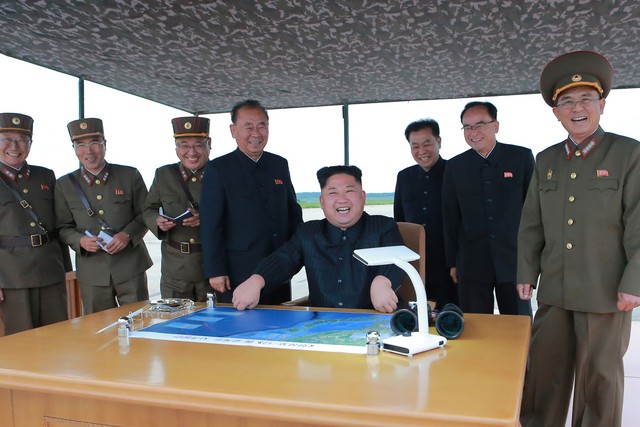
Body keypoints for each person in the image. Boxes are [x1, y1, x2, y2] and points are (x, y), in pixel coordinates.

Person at [517, 50, 640, 427]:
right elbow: (532, 223)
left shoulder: (628, 154)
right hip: (555, 289)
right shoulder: (547, 159)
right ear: (556, 112)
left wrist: (634, 282)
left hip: (606, 292)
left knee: (598, 377)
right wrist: (526, 272)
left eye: (586, 98)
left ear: (602, 104)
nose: (577, 108)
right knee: (544, 371)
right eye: (567, 101)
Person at [232, 165, 405, 312]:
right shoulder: (308, 232)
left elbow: (398, 258)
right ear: (322, 202)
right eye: (332, 193)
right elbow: (283, 260)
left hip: (373, 319)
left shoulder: (383, 226)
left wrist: (383, 281)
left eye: (349, 191)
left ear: (363, 197)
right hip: (322, 325)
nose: (342, 199)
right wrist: (257, 280)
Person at [200, 99, 303, 305]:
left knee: (280, 319)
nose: (256, 134)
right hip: (238, 272)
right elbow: (211, 224)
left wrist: (297, 255)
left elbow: (293, 212)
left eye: (261, 126)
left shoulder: (279, 164)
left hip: (278, 268)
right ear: (233, 130)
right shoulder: (219, 169)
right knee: (240, 322)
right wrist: (216, 270)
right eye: (248, 127)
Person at [442, 101, 534, 315]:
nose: (473, 132)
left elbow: (534, 213)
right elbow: (450, 217)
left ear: (496, 126)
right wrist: (453, 262)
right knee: (475, 326)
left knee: (518, 325)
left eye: (479, 125)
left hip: (514, 263)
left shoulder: (520, 158)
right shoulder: (455, 166)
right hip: (472, 264)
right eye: (467, 127)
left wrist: (531, 265)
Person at [55, 118, 152, 314]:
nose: (88, 151)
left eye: (94, 143)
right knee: (97, 327)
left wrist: (127, 235)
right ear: (74, 149)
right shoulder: (64, 184)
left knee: (139, 322)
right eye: (81, 145)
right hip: (92, 271)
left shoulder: (129, 175)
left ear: (104, 144)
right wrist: (80, 241)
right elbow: (62, 227)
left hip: (130, 266)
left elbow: (146, 213)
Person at [0, 113, 69, 335]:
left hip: (50, 270)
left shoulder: (45, 176)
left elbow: (59, 225)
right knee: (21, 338)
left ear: (30, 144)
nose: (14, 146)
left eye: (22, 140)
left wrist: (65, 268)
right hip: (11, 276)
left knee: (57, 334)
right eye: (7, 139)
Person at [142, 117, 211, 301]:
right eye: (184, 146)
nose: (191, 152)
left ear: (209, 144)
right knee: (175, 318)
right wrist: (157, 221)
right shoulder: (164, 174)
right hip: (175, 270)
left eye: (198, 145)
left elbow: (238, 214)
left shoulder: (221, 173)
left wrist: (206, 219)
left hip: (211, 267)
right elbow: (148, 209)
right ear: (176, 148)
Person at [394, 118, 458, 309]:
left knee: (452, 313)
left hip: (450, 266)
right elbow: (399, 222)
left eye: (427, 144)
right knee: (417, 315)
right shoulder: (404, 177)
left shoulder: (456, 172)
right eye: (415, 146)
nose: (421, 151)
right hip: (415, 264)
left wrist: (458, 262)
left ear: (439, 142)